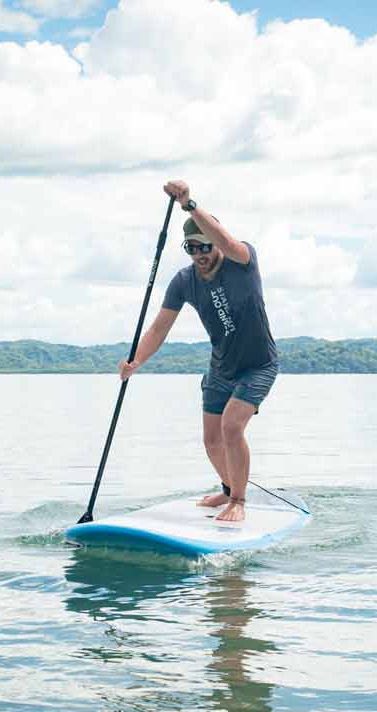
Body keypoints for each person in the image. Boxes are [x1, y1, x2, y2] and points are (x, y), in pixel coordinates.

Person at [118, 180, 279, 523]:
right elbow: (160, 327)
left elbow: (225, 240)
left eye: (205, 246)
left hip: (258, 365)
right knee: (211, 439)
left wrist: (189, 205)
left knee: (231, 427)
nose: (201, 254)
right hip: (221, 368)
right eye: (192, 248)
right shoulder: (184, 281)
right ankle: (226, 487)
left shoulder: (242, 260)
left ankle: (238, 500)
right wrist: (137, 362)